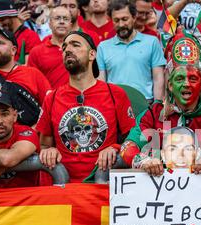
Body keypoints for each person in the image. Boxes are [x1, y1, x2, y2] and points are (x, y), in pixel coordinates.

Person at [120, 28, 201, 176]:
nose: (186, 84)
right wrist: (143, 161)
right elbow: (127, 147)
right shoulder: (154, 113)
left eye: (193, 79)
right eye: (179, 79)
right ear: (170, 85)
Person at [36, 31, 136, 182]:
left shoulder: (115, 94)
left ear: (92, 55)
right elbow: (44, 144)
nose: (67, 49)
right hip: (65, 188)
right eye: (64, 48)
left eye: (75, 45)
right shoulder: (52, 98)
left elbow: (133, 139)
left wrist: (115, 148)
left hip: (104, 186)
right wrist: (49, 150)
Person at [0, 25, 51, 126]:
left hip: (26, 138)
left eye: (0, 43)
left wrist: (35, 131)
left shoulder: (33, 75)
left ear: (13, 50)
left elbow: (49, 109)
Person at [97, 0, 166, 103]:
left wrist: (157, 106)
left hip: (145, 105)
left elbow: (158, 78)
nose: (121, 24)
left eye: (125, 19)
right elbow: (101, 83)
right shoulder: (103, 47)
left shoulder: (152, 42)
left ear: (134, 18)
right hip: (115, 105)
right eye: (116, 20)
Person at [28, 6, 72, 89]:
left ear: (71, 25)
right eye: (57, 18)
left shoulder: (80, 49)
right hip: (48, 100)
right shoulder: (36, 52)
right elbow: (32, 82)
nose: (62, 22)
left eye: (65, 19)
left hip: (76, 100)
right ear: (50, 24)